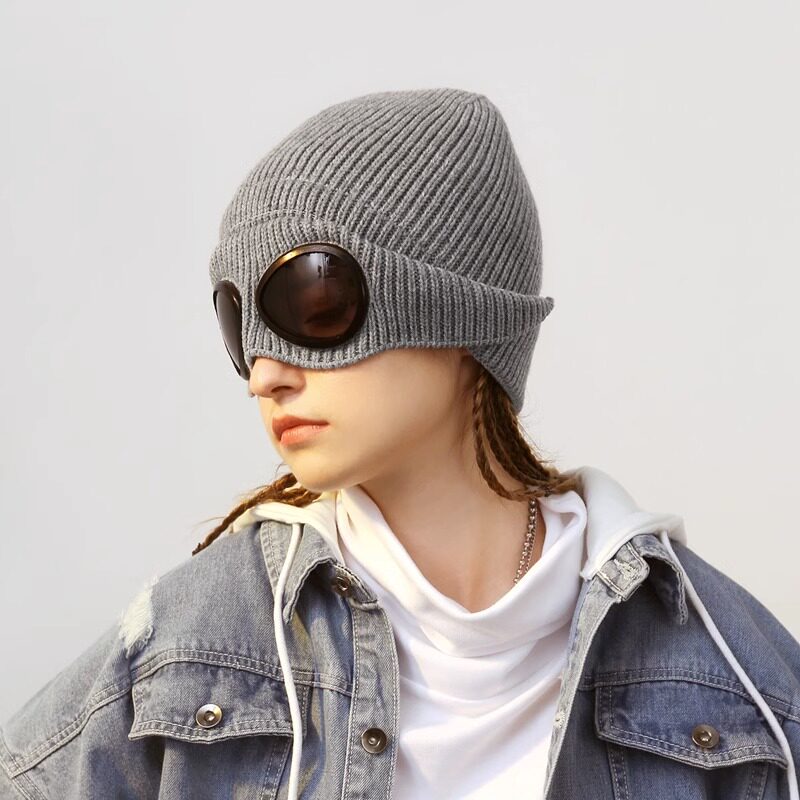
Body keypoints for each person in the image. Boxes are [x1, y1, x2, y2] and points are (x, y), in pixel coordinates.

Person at [1, 87, 798, 800]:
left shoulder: (734, 676)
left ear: (460, 314)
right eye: (238, 320)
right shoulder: (193, 643)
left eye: (311, 299)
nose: (264, 374)